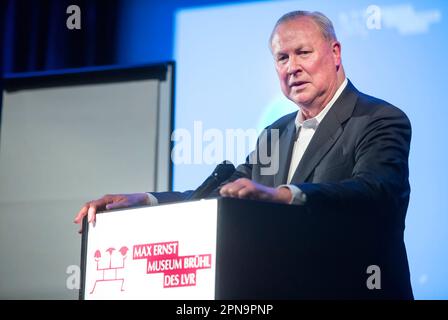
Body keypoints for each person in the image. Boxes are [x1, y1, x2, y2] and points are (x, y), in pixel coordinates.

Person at [74, 11, 413, 298]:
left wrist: (283, 195)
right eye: (282, 58)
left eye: (303, 53)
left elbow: (376, 193)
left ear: (335, 53)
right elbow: (216, 195)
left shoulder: (378, 118)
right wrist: (143, 201)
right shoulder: (276, 132)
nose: (292, 67)